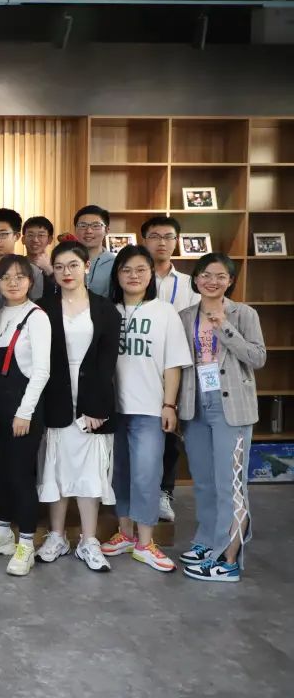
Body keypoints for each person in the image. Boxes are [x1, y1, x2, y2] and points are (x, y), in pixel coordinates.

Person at [100, 246, 192, 572]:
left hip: (150, 408)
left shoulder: (164, 312)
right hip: (113, 408)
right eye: (126, 270)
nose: (133, 275)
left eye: (140, 269)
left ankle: (145, 541)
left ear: (151, 274)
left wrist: (169, 404)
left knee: (146, 474)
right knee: (119, 474)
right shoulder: (108, 311)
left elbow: (173, 364)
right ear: (117, 276)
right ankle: (125, 534)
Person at [178, 254, 266, 583]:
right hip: (196, 404)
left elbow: (257, 357)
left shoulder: (244, 314)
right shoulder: (186, 316)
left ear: (230, 281)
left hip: (232, 407)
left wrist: (224, 327)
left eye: (220, 276)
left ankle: (228, 559)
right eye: (205, 275)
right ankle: (207, 540)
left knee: (230, 485)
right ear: (196, 279)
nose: (212, 281)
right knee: (204, 481)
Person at [35, 242, 120, 572]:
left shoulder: (105, 309)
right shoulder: (42, 308)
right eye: (59, 267)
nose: (66, 272)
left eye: (73, 265)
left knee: (89, 471)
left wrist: (98, 406)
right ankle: (57, 536)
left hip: (92, 401)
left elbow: (107, 362)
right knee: (55, 468)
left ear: (86, 266)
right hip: (54, 396)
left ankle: (89, 540)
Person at [0, 255, 51, 577]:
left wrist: (24, 413)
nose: (13, 283)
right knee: (1, 474)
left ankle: (27, 543)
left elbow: (42, 371)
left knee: (21, 477)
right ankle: (3, 533)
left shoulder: (37, 317)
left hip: (24, 411)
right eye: (6, 277)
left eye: (20, 277)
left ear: (31, 282)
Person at [141, 216, 201, 524]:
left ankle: (164, 492)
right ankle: (138, 493)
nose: (161, 242)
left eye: (168, 236)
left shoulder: (190, 283)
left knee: (169, 431)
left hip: (177, 365)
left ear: (177, 241)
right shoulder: (135, 276)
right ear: (144, 241)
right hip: (141, 365)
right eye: (154, 236)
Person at [73, 205, 116, 298]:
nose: (89, 231)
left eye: (96, 226)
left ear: (107, 230)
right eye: (83, 226)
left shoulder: (115, 262)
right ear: (75, 229)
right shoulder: (64, 259)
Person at [22, 215, 56, 300]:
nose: (35, 240)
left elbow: (64, 291)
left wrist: (49, 269)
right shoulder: (17, 264)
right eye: (30, 235)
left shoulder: (58, 265)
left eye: (41, 235)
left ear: (50, 239)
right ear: (23, 239)